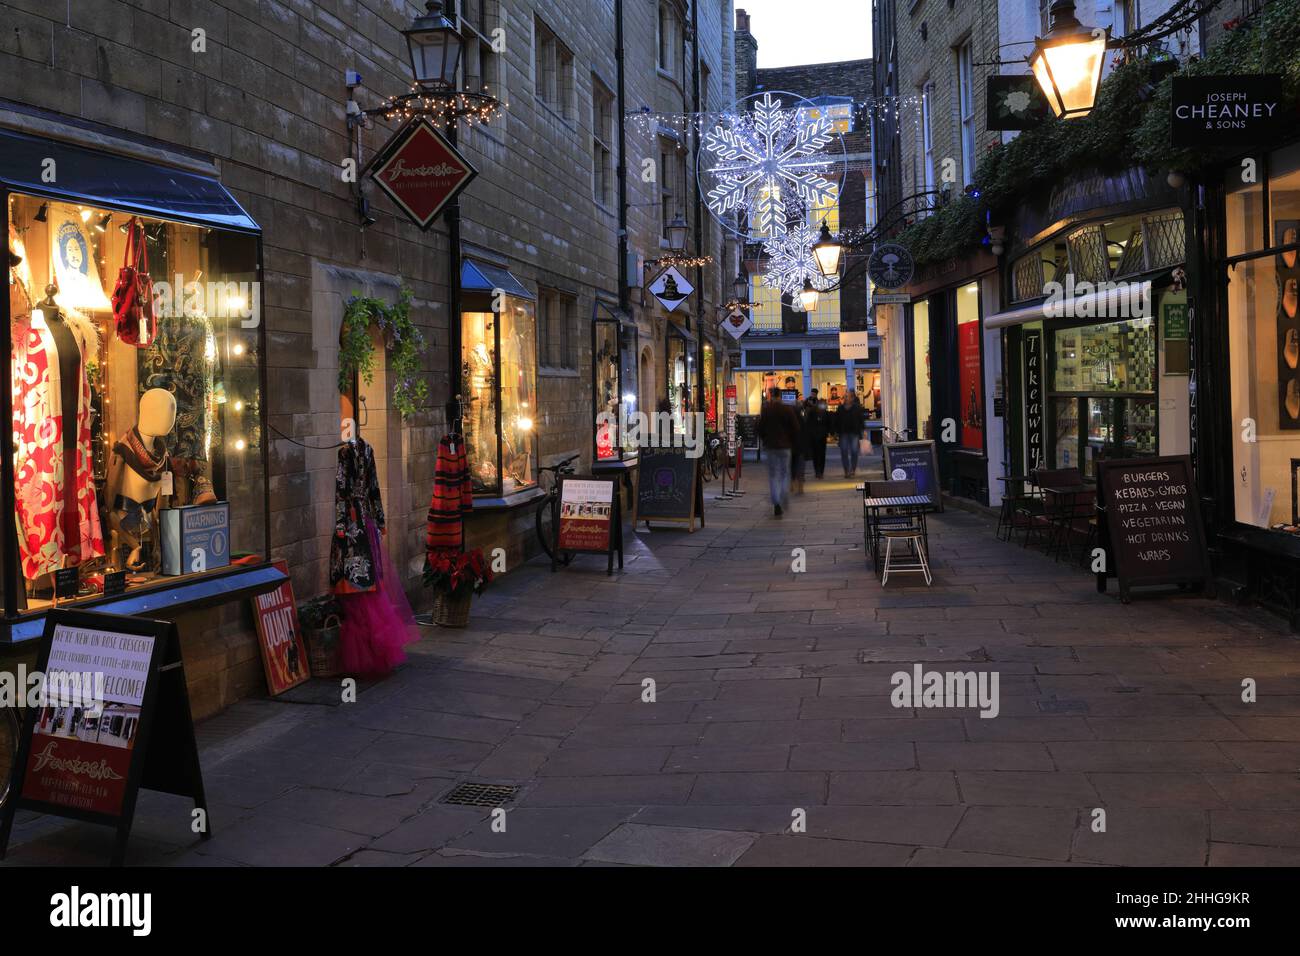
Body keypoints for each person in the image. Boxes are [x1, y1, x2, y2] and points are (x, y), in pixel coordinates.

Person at [758, 386, 799, 516]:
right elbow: (796, 428)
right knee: (784, 473)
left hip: (770, 446)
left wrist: (765, 438)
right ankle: (783, 494)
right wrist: (790, 440)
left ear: (770, 395)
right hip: (785, 446)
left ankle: (776, 501)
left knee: (773, 475)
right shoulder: (787, 409)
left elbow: (760, 427)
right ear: (780, 396)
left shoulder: (766, 410)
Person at [834, 389, 866, 478]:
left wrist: (863, 431)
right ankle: (846, 470)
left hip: (854, 432)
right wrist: (836, 432)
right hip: (843, 432)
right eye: (846, 396)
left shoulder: (857, 408)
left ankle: (853, 469)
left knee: (854, 451)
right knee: (844, 451)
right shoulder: (840, 408)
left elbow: (861, 420)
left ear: (852, 398)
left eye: (848, 396)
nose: (846, 398)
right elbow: (837, 420)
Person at [803, 390, 831, 479]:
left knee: (820, 454)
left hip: (820, 435)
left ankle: (819, 472)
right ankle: (818, 472)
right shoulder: (811, 410)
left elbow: (828, 423)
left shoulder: (824, 413)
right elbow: (808, 422)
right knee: (817, 454)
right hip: (815, 435)